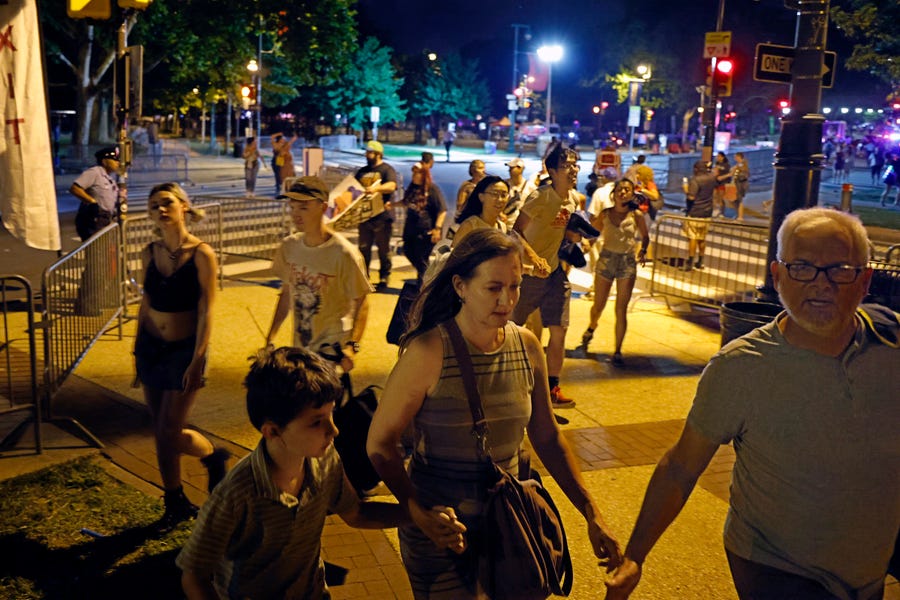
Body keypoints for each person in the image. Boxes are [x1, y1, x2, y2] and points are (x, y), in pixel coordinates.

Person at [606, 207, 899, 600]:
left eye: (840, 270)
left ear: (865, 282)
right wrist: (635, 555)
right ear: (777, 277)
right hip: (775, 567)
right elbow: (681, 466)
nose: (821, 284)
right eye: (802, 268)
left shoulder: (890, 341)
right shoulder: (741, 367)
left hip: (866, 569)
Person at [367, 228, 622, 599]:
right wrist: (416, 508)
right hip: (443, 528)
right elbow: (380, 444)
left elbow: (548, 437)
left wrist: (591, 512)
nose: (507, 299)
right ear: (460, 286)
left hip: (511, 519)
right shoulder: (428, 351)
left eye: (515, 286)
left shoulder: (527, 346)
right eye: (493, 288)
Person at [178, 346, 407, 599]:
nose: (334, 430)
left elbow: (355, 513)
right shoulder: (237, 493)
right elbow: (194, 574)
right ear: (273, 432)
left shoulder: (325, 460)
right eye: (316, 421)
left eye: (331, 415)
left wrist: (419, 515)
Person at [134, 182, 228, 526]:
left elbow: (207, 309)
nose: (161, 209)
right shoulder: (149, 251)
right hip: (150, 349)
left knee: (171, 429)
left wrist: (198, 357)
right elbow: (145, 304)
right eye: (155, 204)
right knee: (160, 429)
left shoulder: (201, 253)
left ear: (184, 207)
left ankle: (212, 456)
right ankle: (173, 499)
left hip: (183, 350)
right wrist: (135, 350)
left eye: (168, 203)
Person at [265, 177, 371, 374]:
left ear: (323, 208)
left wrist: (352, 346)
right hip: (300, 348)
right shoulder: (289, 247)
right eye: (293, 207)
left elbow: (361, 301)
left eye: (303, 208)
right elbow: (287, 293)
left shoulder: (344, 253)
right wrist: (270, 337)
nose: (295, 214)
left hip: (331, 349)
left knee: (323, 403)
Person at [511, 143, 581, 408]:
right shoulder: (540, 197)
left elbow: (559, 229)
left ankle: (552, 388)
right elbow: (515, 231)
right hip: (528, 274)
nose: (573, 170)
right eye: (567, 165)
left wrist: (574, 238)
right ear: (552, 171)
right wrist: (533, 257)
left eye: (575, 164)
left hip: (554, 274)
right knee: (513, 329)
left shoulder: (572, 200)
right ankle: (512, 381)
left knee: (559, 331)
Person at [581, 178, 650, 366]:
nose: (623, 192)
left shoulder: (636, 215)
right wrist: (585, 246)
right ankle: (591, 327)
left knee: (621, 309)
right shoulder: (605, 214)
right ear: (614, 193)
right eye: (620, 189)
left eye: (627, 190)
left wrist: (643, 250)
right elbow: (592, 234)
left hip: (626, 263)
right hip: (606, 261)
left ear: (632, 194)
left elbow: (645, 236)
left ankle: (618, 350)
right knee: (599, 305)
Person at [355, 140, 398, 291]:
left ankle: (384, 277)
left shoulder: (387, 170)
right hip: (365, 217)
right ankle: (364, 277)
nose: (367, 155)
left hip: (382, 217)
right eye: (366, 152)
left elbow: (392, 185)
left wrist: (376, 189)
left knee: (383, 250)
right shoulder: (361, 171)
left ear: (378, 154)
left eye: (370, 152)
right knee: (363, 250)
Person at [401, 162, 447, 282]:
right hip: (410, 231)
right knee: (408, 251)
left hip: (425, 232)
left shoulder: (432, 189)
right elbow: (406, 202)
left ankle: (423, 287)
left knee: (422, 259)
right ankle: (427, 279)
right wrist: (392, 205)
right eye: (414, 172)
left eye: (417, 173)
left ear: (424, 175)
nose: (414, 175)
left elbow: (442, 210)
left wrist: (437, 229)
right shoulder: (413, 188)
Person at [71, 146, 121, 242]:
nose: (117, 162)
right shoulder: (94, 172)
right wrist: (91, 201)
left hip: (106, 219)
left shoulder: (109, 178)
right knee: (96, 251)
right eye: (114, 160)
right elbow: (75, 188)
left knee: (105, 251)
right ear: (104, 161)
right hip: (94, 219)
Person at [452, 175, 510, 246]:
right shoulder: (470, 226)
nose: (500, 199)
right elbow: (455, 254)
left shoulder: (502, 226)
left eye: (503, 195)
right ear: (481, 197)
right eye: (495, 194)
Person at [682, 160, 715, 272]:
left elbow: (691, 197)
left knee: (693, 237)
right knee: (702, 238)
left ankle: (690, 262)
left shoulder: (695, 180)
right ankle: (700, 261)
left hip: (695, 211)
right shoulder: (711, 178)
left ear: (696, 169)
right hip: (707, 212)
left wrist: (686, 189)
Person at [503, 157, 535, 229]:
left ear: (520, 169)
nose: (509, 170)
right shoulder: (504, 184)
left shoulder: (530, 187)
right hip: (504, 223)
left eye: (512, 168)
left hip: (520, 225)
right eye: (509, 168)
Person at [729, 151, 749, 220]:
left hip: (740, 185)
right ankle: (738, 214)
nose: (734, 158)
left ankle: (740, 216)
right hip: (737, 184)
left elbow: (742, 174)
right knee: (735, 200)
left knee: (739, 200)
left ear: (739, 157)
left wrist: (734, 169)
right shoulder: (740, 164)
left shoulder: (742, 165)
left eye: (735, 157)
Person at [711, 151, 731, 217]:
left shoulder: (726, 165)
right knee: (714, 196)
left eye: (719, 156)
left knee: (720, 197)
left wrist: (722, 177)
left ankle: (721, 212)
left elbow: (729, 174)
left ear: (722, 157)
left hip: (723, 182)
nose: (717, 158)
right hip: (715, 182)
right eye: (717, 156)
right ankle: (715, 210)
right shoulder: (716, 163)